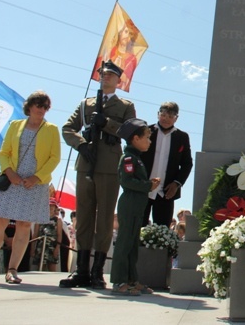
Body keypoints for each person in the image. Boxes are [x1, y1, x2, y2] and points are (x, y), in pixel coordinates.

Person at [0, 91, 61, 284]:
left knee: (24, 225)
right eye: (38, 104)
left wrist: (37, 177)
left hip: (36, 183)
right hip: (12, 179)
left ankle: (12, 271)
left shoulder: (52, 129)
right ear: (29, 106)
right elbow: (4, 152)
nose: (41, 109)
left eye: (45, 106)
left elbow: (55, 158)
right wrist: (9, 172)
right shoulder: (15, 125)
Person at [61, 60, 136, 289]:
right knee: (83, 215)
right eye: (102, 74)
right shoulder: (86, 104)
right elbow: (67, 128)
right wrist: (81, 144)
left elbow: (131, 132)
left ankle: (97, 272)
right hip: (86, 162)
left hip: (109, 165)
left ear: (118, 80)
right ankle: (81, 270)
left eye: (110, 75)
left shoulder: (125, 105)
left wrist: (108, 123)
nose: (105, 77)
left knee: (104, 217)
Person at [110, 118, 160, 296]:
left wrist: (147, 184)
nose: (149, 141)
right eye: (146, 137)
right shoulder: (129, 158)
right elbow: (127, 181)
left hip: (137, 204)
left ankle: (131, 279)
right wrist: (148, 186)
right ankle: (119, 281)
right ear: (135, 139)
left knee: (132, 244)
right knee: (124, 243)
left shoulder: (136, 158)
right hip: (130, 203)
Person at [141, 102, 193, 227]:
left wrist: (177, 183)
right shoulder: (147, 132)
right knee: (137, 228)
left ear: (176, 118)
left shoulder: (182, 137)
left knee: (162, 230)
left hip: (166, 192)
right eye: (163, 115)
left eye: (170, 116)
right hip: (143, 188)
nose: (166, 119)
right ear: (158, 114)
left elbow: (187, 164)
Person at [31, 198, 63, 272]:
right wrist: (32, 248)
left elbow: (59, 235)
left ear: (55, 208)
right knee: (40, 268)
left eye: (52, 206)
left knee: (52, 268)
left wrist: (57, 248)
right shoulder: (39, 219)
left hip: (52, 246)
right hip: (41, 246)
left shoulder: (58, 220)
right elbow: (35, 234)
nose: (50, 208)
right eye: (48, 206)